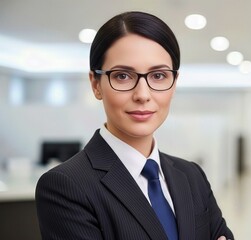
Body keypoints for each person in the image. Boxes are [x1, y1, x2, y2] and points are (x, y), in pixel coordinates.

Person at [35, 11, 234, 240]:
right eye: (122, 76)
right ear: (96, 84)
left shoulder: (191, 175)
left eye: (158, 75)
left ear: (174, 83)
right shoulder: (66, 187)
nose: (143, 95)